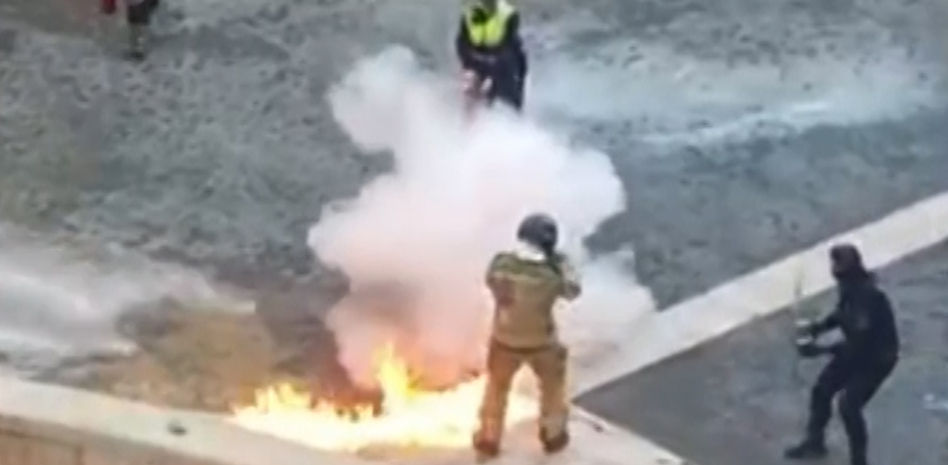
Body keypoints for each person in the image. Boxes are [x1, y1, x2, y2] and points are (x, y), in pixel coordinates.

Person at [473, 213, 581, 460]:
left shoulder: (500, 265)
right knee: (552, 388)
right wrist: (562, 264)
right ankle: (553, 435)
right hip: (541, 342)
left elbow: (491, 280)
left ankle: (489, 437)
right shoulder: (551, 277)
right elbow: (573, 290)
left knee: (496, 390)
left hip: (503, 340)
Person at [786, 244, 899, 465]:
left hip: (876, 359)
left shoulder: (868, 298)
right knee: (822, 391)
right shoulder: (851, 288)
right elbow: (842, 314)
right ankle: (815, 442)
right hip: (857, 351)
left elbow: (858, 343)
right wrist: (818, 327)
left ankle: (859, 461)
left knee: (849, 405)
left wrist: (818, 350)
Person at [455, 0, 528, 111]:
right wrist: (471, 61)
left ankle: (508, 120)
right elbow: (462, 44)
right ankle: (469, 122)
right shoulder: (470, 15)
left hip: (504, 65)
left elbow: (510, 47)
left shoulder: (508, 14)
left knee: (506, 97)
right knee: (470, 86)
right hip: (477, 60)